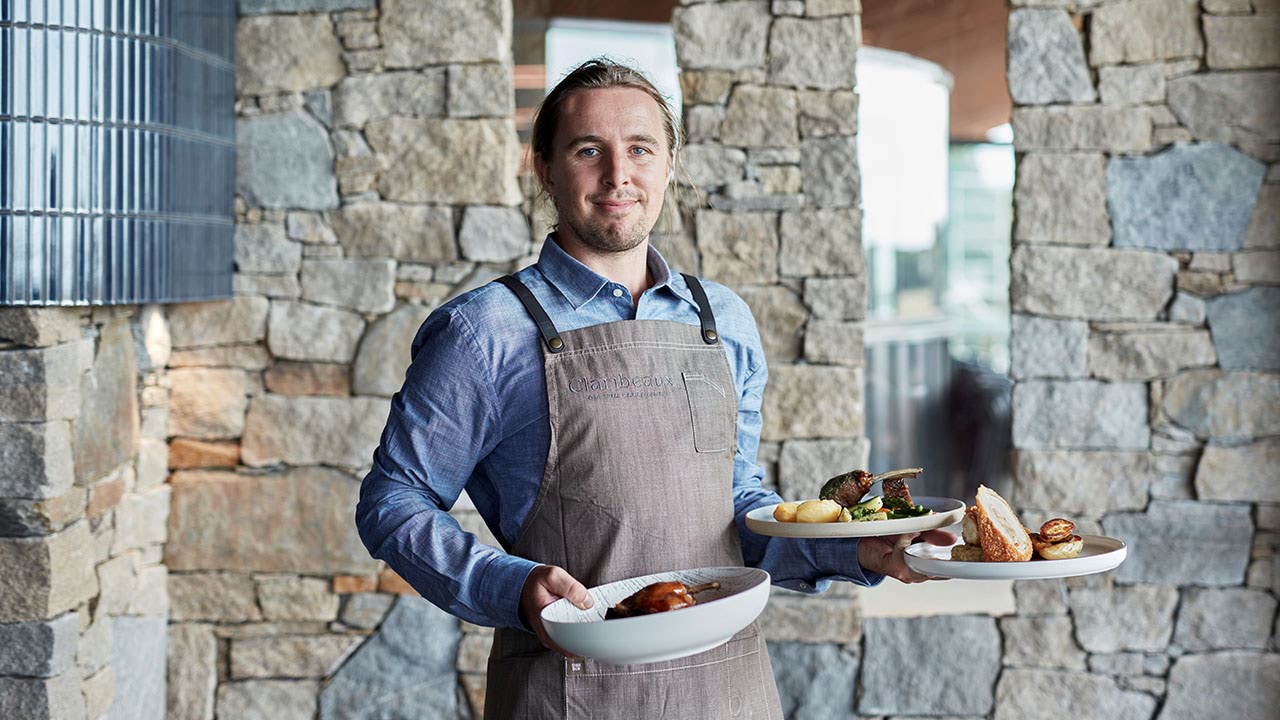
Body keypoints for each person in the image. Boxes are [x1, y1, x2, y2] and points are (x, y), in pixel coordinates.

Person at [356, 58, 953, 720]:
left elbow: (733, 511)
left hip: (727, 689)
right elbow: (393, 502)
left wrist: (858, 548)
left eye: (640, 148)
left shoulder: (722, 319)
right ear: (546, 171)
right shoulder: (482, 332)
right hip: (572, 693)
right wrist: (513, 585)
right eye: (589, 150)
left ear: (669, 164)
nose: (619, 174)